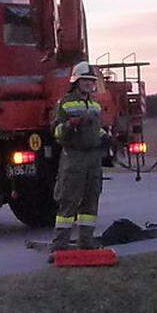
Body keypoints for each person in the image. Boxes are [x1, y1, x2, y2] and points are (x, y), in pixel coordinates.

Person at [51, 61, 107, 251]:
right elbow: (57, 132)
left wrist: (107, 138)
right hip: (74, 158)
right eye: (85, 80)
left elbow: (96, 130)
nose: (89, 84)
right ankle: (59, 247)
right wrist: (69, 126)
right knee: (68, 202)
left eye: (91, 81)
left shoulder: (95, 105)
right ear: (76, 81)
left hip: (93, 158)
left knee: (91, 202)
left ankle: (86, 244)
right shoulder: (65, 103)